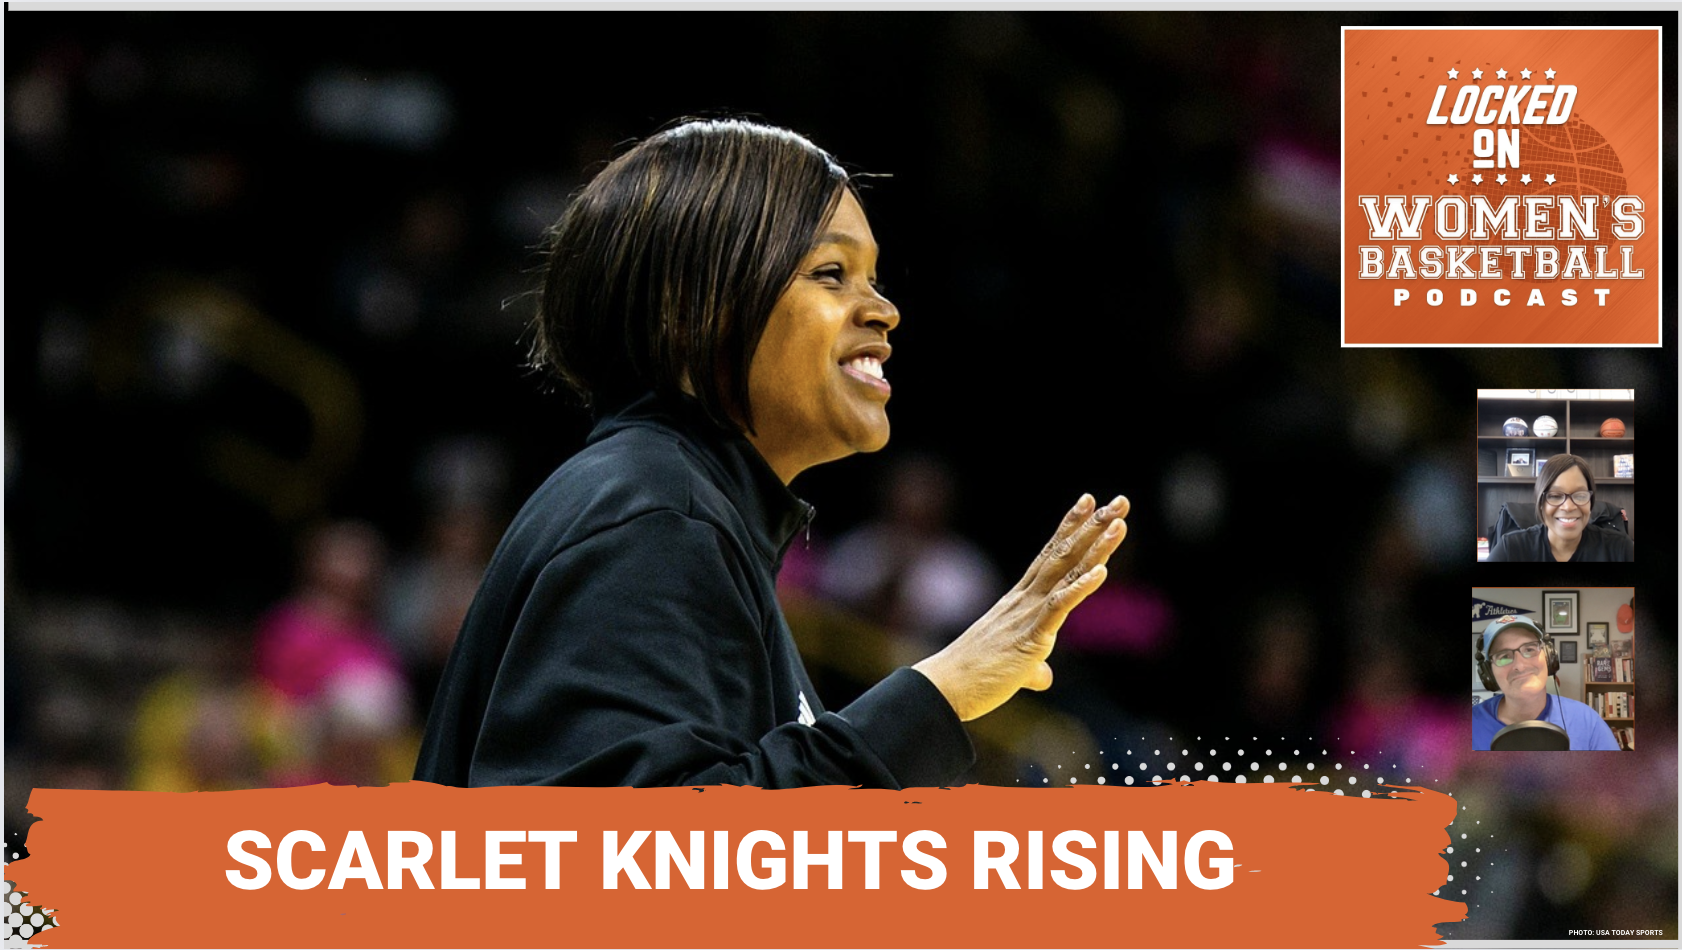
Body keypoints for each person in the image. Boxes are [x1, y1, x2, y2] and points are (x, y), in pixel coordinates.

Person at [414, 119, 1129, 788]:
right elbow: (620, 871)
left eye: (873, 277)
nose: (884, 309)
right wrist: (936, 693)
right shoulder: (654, 512)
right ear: (688, 305)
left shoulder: (671, 505)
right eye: (830, 273)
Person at [1472, 615, 1619, 751]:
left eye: (1529, 649)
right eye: (1503, 656)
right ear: (1488, 673)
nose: (1520, 666)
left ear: (1549, 657)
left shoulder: (1587, 721)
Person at [1485, 454, 1633, 562]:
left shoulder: (1620, 548)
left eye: (1580, 495)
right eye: (1555, 496)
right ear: (1541, 503)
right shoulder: (1510, 548)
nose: (1568, 507)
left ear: (1590, 501)